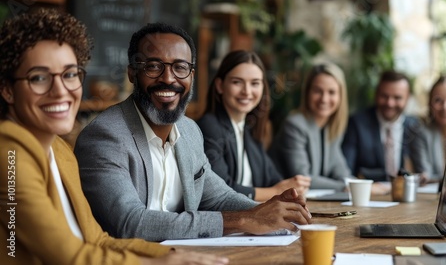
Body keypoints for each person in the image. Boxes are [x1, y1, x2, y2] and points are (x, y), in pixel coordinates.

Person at [0, 9, 228, 265]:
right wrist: (155, 264)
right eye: (39, 78)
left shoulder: (60, 150)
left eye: (69, 74)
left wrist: (172, 255)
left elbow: (97, 240)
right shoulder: (9, 154)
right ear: (8, 90)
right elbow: (67, 256)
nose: (60, 91)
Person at [74, 23, 312, 242]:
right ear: (132, 73)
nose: (168, 79)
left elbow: (218, 198)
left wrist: (270, 211)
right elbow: (130, 224)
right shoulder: (105, 137)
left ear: (192, 76)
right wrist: (244, 219)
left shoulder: (189, 131)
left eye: (180, 67)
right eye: (154, 66)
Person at [197, 50, 311, 201]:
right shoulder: (209, 126)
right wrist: (275, 191)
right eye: (237, 82)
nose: (247, 91)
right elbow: (220, 189)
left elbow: (273, 179)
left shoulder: (248, 129)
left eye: (255, 83)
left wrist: (292, 186)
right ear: (220, 86)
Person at [268, 61, 353, 191]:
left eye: (331, 92)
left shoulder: (332, 127)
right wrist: (347, 187)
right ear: (307, 92)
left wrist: (362, 185)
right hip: (281, 202)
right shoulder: (295, 125)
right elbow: (303, 179)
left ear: (341, 96)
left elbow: (341, 172)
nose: (324, 99)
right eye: (318, 91)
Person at [341, 70, 421, 193]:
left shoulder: (415, 126)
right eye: (384, 96)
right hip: (369, 196)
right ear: (376, 94)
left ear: (407, 98)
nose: (390, 103)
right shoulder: (357, 123)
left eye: (397, 97)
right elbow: (346, 169)